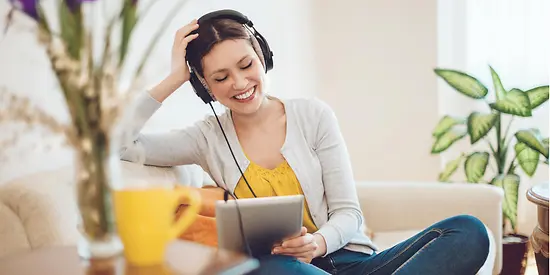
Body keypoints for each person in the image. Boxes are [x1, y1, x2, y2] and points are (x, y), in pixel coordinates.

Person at [120, 9, 490, 275]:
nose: (239, 83)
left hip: (352, 260)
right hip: (287, 268)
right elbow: (121, 144)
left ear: (263, 55)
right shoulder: (204, 137)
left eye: (246, 65)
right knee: (269, 268)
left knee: (468, 230)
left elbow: (349, 213)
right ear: (205, 88)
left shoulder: (313, 115)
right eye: (220, 77)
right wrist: (172, 79)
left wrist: (318, 243)